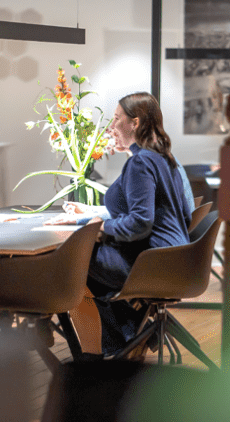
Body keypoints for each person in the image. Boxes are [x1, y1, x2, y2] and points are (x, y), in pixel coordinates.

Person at [47, 92, 191, 357]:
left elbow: (140, 223)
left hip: (153, 264)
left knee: (72, 263)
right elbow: (183, 215)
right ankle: (129, 336)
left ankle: (114, 348)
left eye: (116, 119)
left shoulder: (140, 163)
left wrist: (98, 226)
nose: (111, 126)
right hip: (177, 260)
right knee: (89, 262)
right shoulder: (163, 159)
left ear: (134, 123)